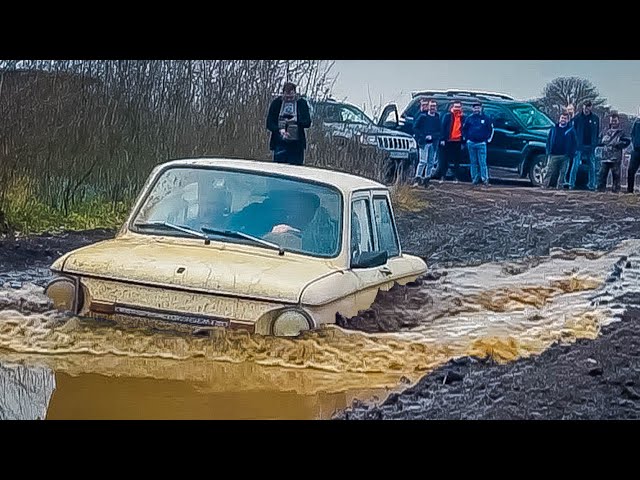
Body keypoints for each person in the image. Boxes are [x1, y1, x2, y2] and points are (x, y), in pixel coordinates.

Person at [266, 82, 312, 166]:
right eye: (287, 97)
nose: (289, 99)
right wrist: (279, 130)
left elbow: (307, 122)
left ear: (295, 93)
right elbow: (269, 123)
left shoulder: (301, 104)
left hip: (296, 145)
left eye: (291, 97)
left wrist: (296, 122)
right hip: (280, 144)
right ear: (283, 94)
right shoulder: (276, 103)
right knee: (278, 169)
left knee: (296, 169)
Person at [568, 100, 600, 190]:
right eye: (585, 107)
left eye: (588, 107)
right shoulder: (577, 118)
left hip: (591, 145)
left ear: (591, 107)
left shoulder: (595, 118)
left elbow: (597, 132)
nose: (586, 109)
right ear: (583, 107)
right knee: (575, 164)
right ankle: (571, 184)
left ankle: (592, 185)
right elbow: (572, 131)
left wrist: (595, 143)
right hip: (579, 146)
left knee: (592, 166)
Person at [596, 112, 630, 193]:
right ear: (610, 121)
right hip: (604, 157)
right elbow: (598, 141)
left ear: (618, 121)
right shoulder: (604, 131)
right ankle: (600, 191)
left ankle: (615, 192)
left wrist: (618, 144)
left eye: (615, 121)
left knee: (616, 176)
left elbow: (627, 142)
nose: (613, 123)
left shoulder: (621, 133)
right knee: (602, 175)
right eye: (612, 121)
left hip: (616, 158)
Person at [462, 101, 494, 186]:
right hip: (471, 143)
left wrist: (487, 140)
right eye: (475, 108)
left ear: (481, 108)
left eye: (478, 107)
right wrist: (466, 139)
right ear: (473, 109)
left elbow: (490, 130)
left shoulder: (486, 118)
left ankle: (485, 179)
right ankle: (474, 179)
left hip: (481, 143)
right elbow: (464, 129)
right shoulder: (469, 118)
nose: (477, 109)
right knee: (473, 162)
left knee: (482, 162)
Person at [544, 111, 577, 189]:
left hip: (565, 156)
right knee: (549, 171)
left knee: (563, 172)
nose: (563, 120)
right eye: (562, 118)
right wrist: (548, 151)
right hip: (553, 154)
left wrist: (571, 154)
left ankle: (560, 187)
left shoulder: (571, 130)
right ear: (559, 119)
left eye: (565, 118)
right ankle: (545, 185)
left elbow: (574, 143)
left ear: (568, 120)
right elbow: (548, 141)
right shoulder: (553, 129)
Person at [412, 98, 441, 186]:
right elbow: (415, 128)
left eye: (434, 106)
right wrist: (423, 136)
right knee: (422, 161)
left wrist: (433, 136)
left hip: (433, 143)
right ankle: (417, 179)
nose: (433, 108)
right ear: (428, 107)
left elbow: (440, 131)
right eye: (431, 106)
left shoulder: (437, 118)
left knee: (431, 162)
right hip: (423, 143)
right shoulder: (422, 117)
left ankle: (427, 179)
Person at [627, 115, 640, 193]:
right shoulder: (637, 122)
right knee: (631, 170)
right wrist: (634, 144)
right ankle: (630, 190)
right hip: (636, 150)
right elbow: (632, 134)